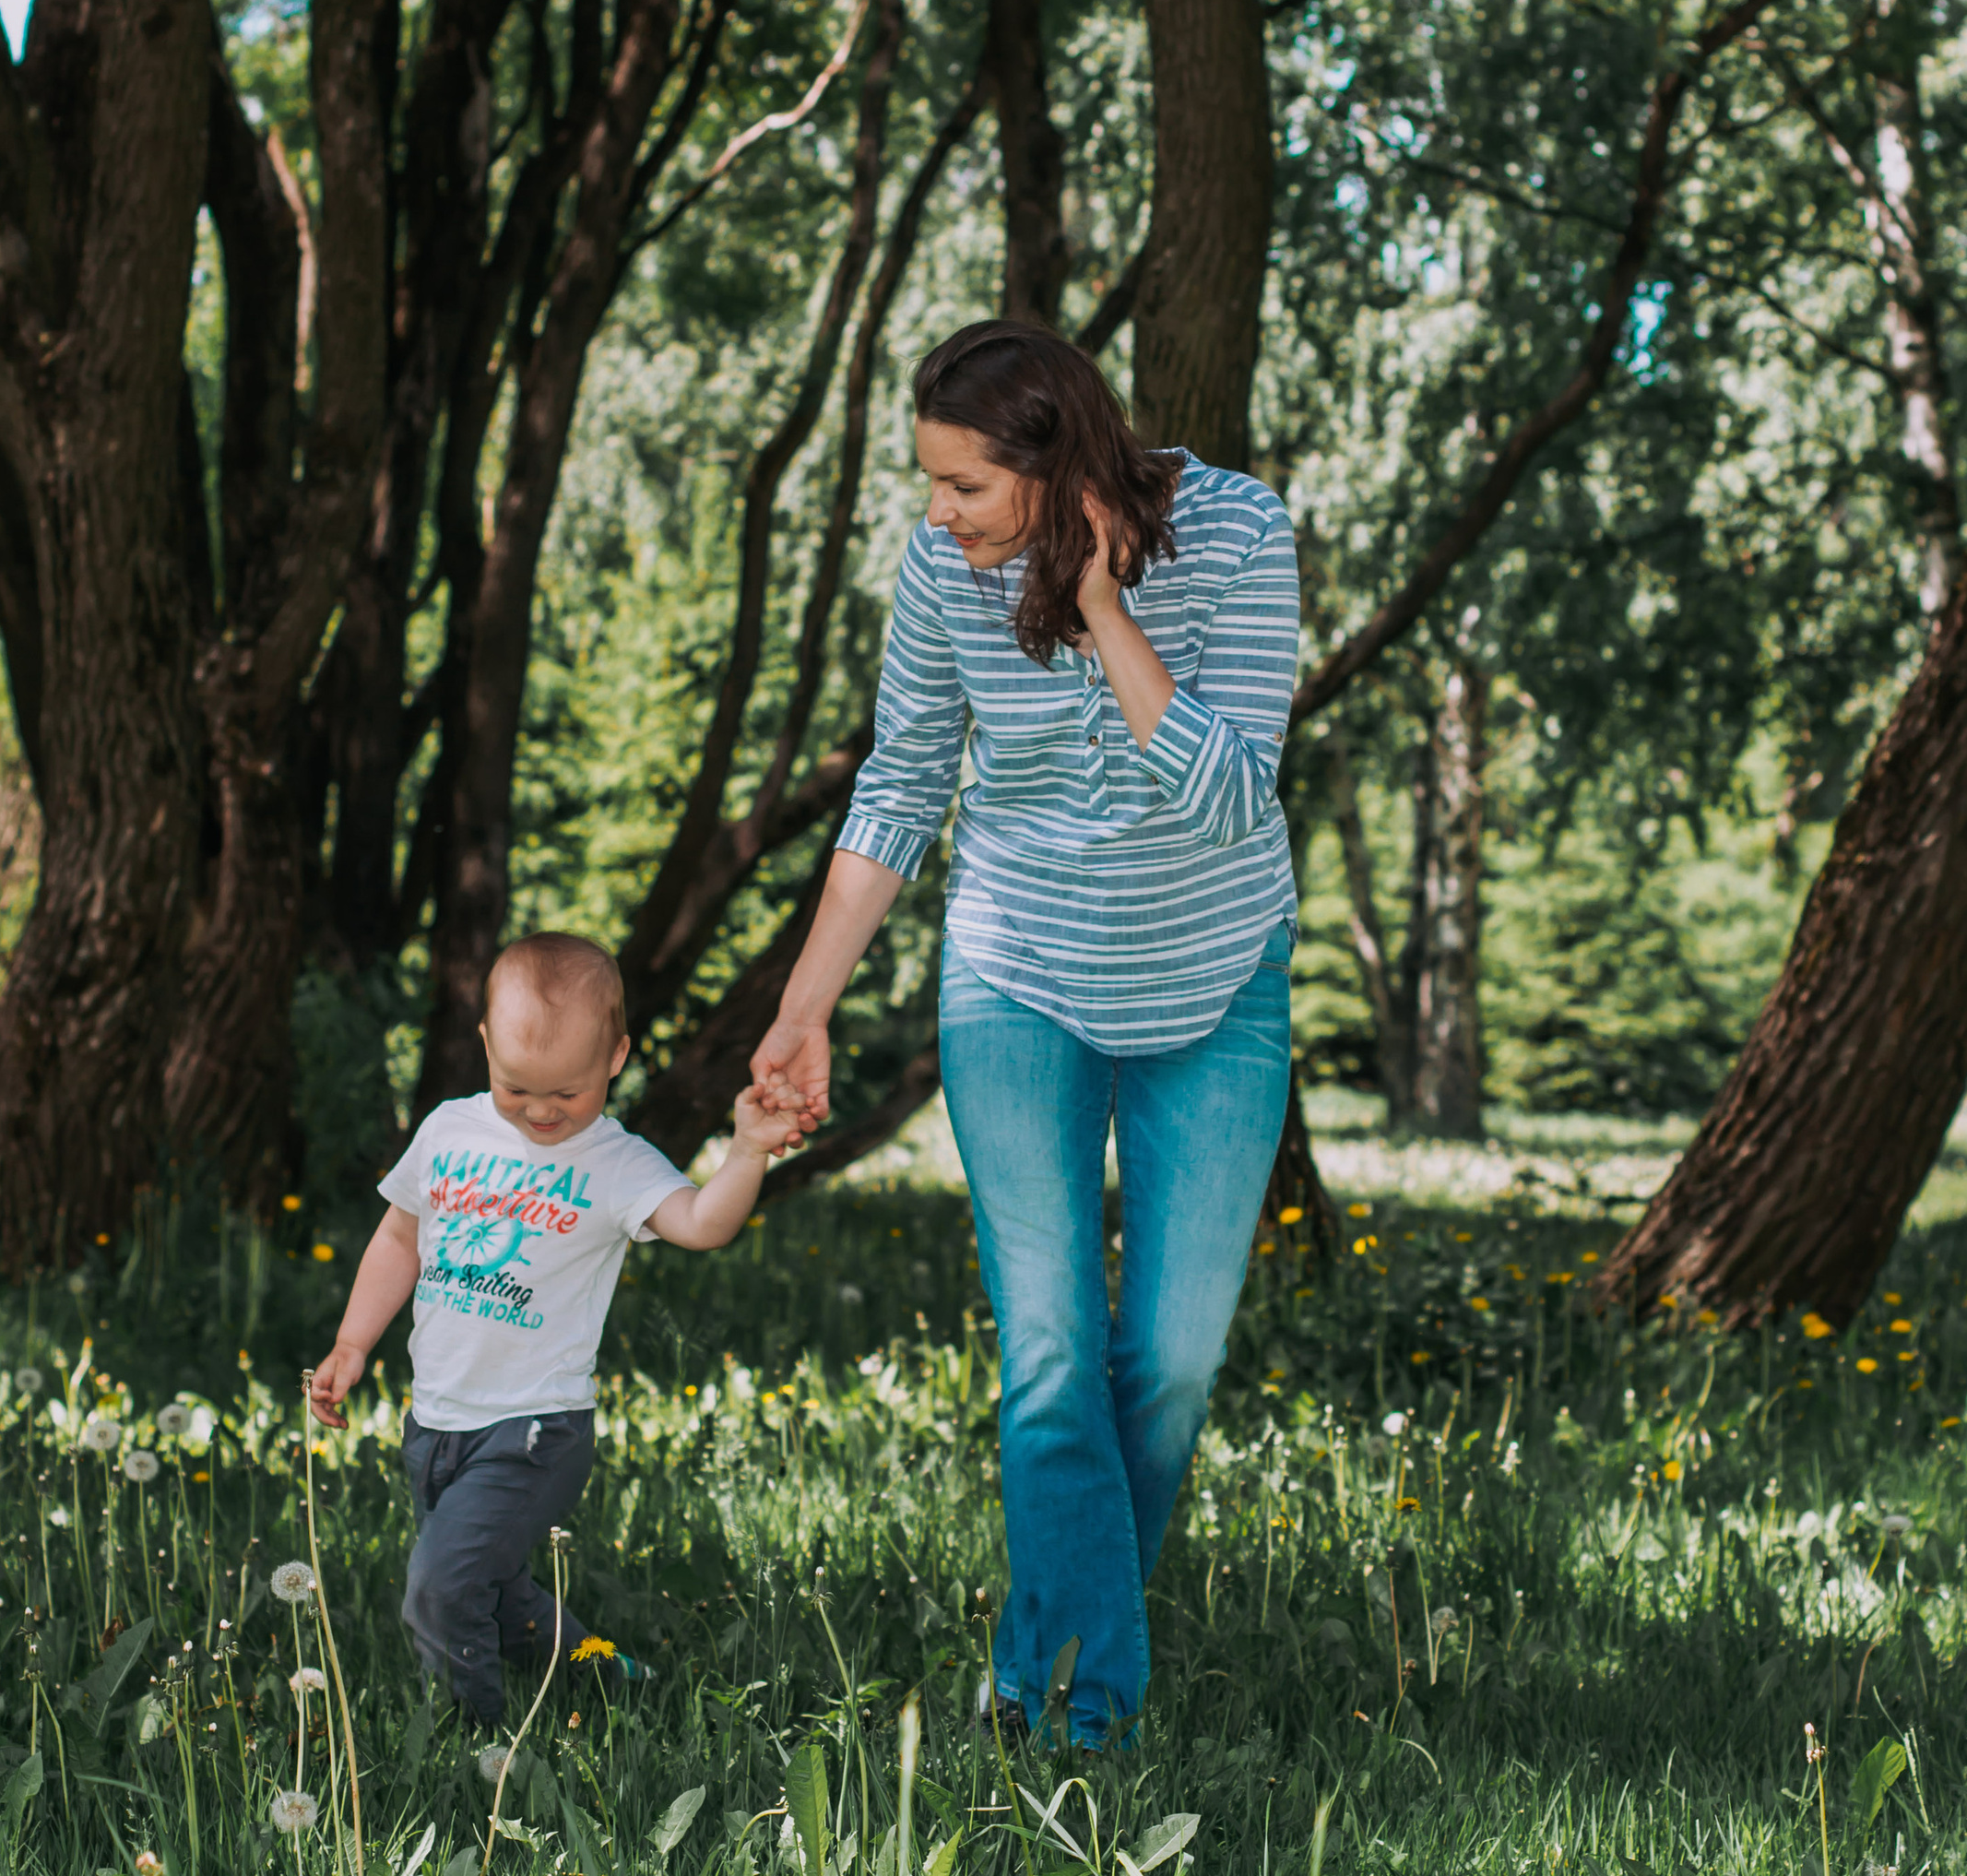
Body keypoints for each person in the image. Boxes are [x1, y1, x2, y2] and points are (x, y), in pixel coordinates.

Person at [750, 319, 1298, 1752]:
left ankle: (1032, 1659)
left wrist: (1107, 609)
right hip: (1019, 969)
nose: (938, 515)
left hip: (1216, 974)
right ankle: (1080, 1721)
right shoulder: (944, 569)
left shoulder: (1238, 531)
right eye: (930, 484)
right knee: (1050, 1351)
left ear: (1058, 472)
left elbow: (1236, 797)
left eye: (968, 489)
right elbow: (905, 777)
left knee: (1169, 1365)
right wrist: (803, 1010)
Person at [307, 930, 799, 1727]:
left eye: (566, 1094)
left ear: (615, 1058)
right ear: (485, 1050)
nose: (541, 1112)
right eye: (516, 1088)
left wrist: (746, 1152)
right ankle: (608, 1675)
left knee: (442, 1586)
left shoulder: (617, 1162)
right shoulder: (449, 1131)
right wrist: (353, 1343)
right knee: (498, 1590)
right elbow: (400, 1237)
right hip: (434, 1424)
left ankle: (474, 1739)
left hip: (536, 1430)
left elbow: (703, 1223)